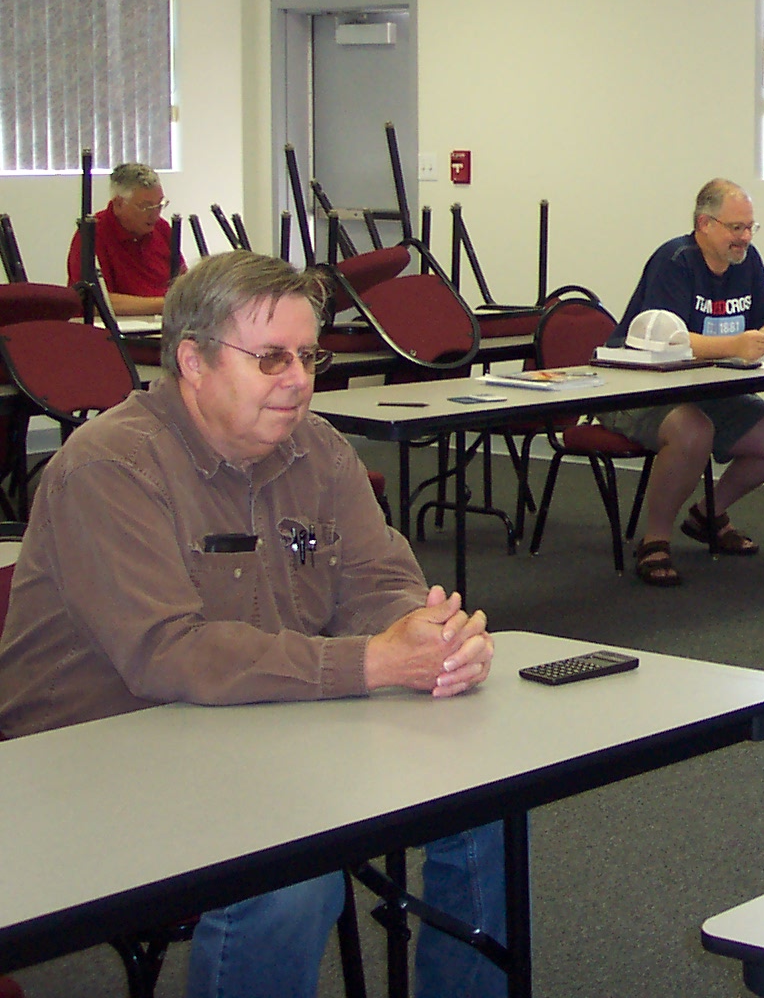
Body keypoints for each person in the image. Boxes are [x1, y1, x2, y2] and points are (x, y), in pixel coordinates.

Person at [0, 251, 506, 998]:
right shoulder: (108, 467)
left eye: (308, 356)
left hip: (261, 726)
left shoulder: (318, 448)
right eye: (271, 358)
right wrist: (373, 662)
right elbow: (168, 653)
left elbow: (376, 580)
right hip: (98, 760)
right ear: (193, 361)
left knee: (481, 796)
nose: (298, 379)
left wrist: (429, 636)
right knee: (292, 876)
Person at [602, 179, 764, 588]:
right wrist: (736, 345)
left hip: (706, 388)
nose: (745, 237)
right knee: (692, 431)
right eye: (736, 227)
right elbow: (668, 340)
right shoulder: (675, 261)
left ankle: (708, 515)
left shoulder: (747, 262)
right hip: (637, 389)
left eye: (750, 227)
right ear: (704, 224)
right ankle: (655, 541)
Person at [66, 161, 185, 315]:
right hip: (117, 326)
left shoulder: (161, 228)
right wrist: (165, 304)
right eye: (145, 206)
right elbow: (92, 301)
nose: (155, 214)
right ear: (118, 204)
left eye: (160, 204)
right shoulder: (92, 234)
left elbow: (185, 284)